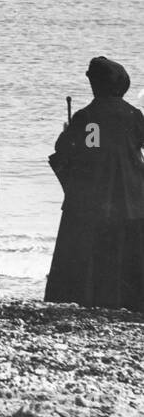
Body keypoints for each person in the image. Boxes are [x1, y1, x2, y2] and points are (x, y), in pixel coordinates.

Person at [45, 57, 144, 311]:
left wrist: (68, 130)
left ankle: (87, 297)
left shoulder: (86, 117)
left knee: (89, 249)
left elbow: (65, 150)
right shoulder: (134, 115)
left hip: (91, 197)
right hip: (130, 196)